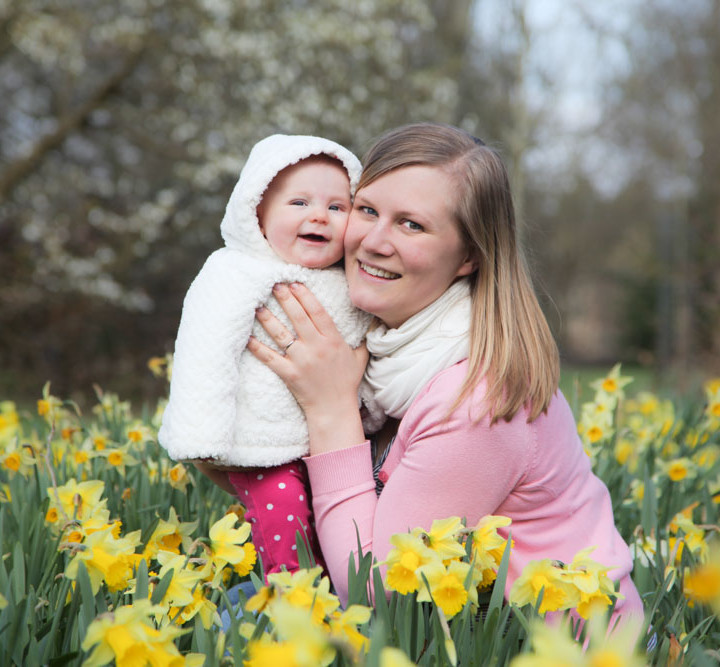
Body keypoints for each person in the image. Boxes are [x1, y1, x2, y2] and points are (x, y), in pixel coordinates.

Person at [245, 122, 644, 625]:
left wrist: (330, 409)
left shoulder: (477, 397)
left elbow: (379, 592)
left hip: (557, 650)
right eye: (367, 210)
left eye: (411, 224)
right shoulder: (387, 350)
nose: (373, 241)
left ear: (469, 257)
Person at [158, 134, 382, 575]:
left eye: (338, 207)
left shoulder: (352, 281)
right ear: (256, 212)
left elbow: (368, 347)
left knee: (337, 534)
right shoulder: (235, 271)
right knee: (288, 535)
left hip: (338, 441)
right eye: (298, 203)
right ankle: (293, 612)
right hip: (261, 443)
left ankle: (338, 609)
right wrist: (200, 435)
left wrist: (374, 413)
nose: (319, 215)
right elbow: (205, 351)